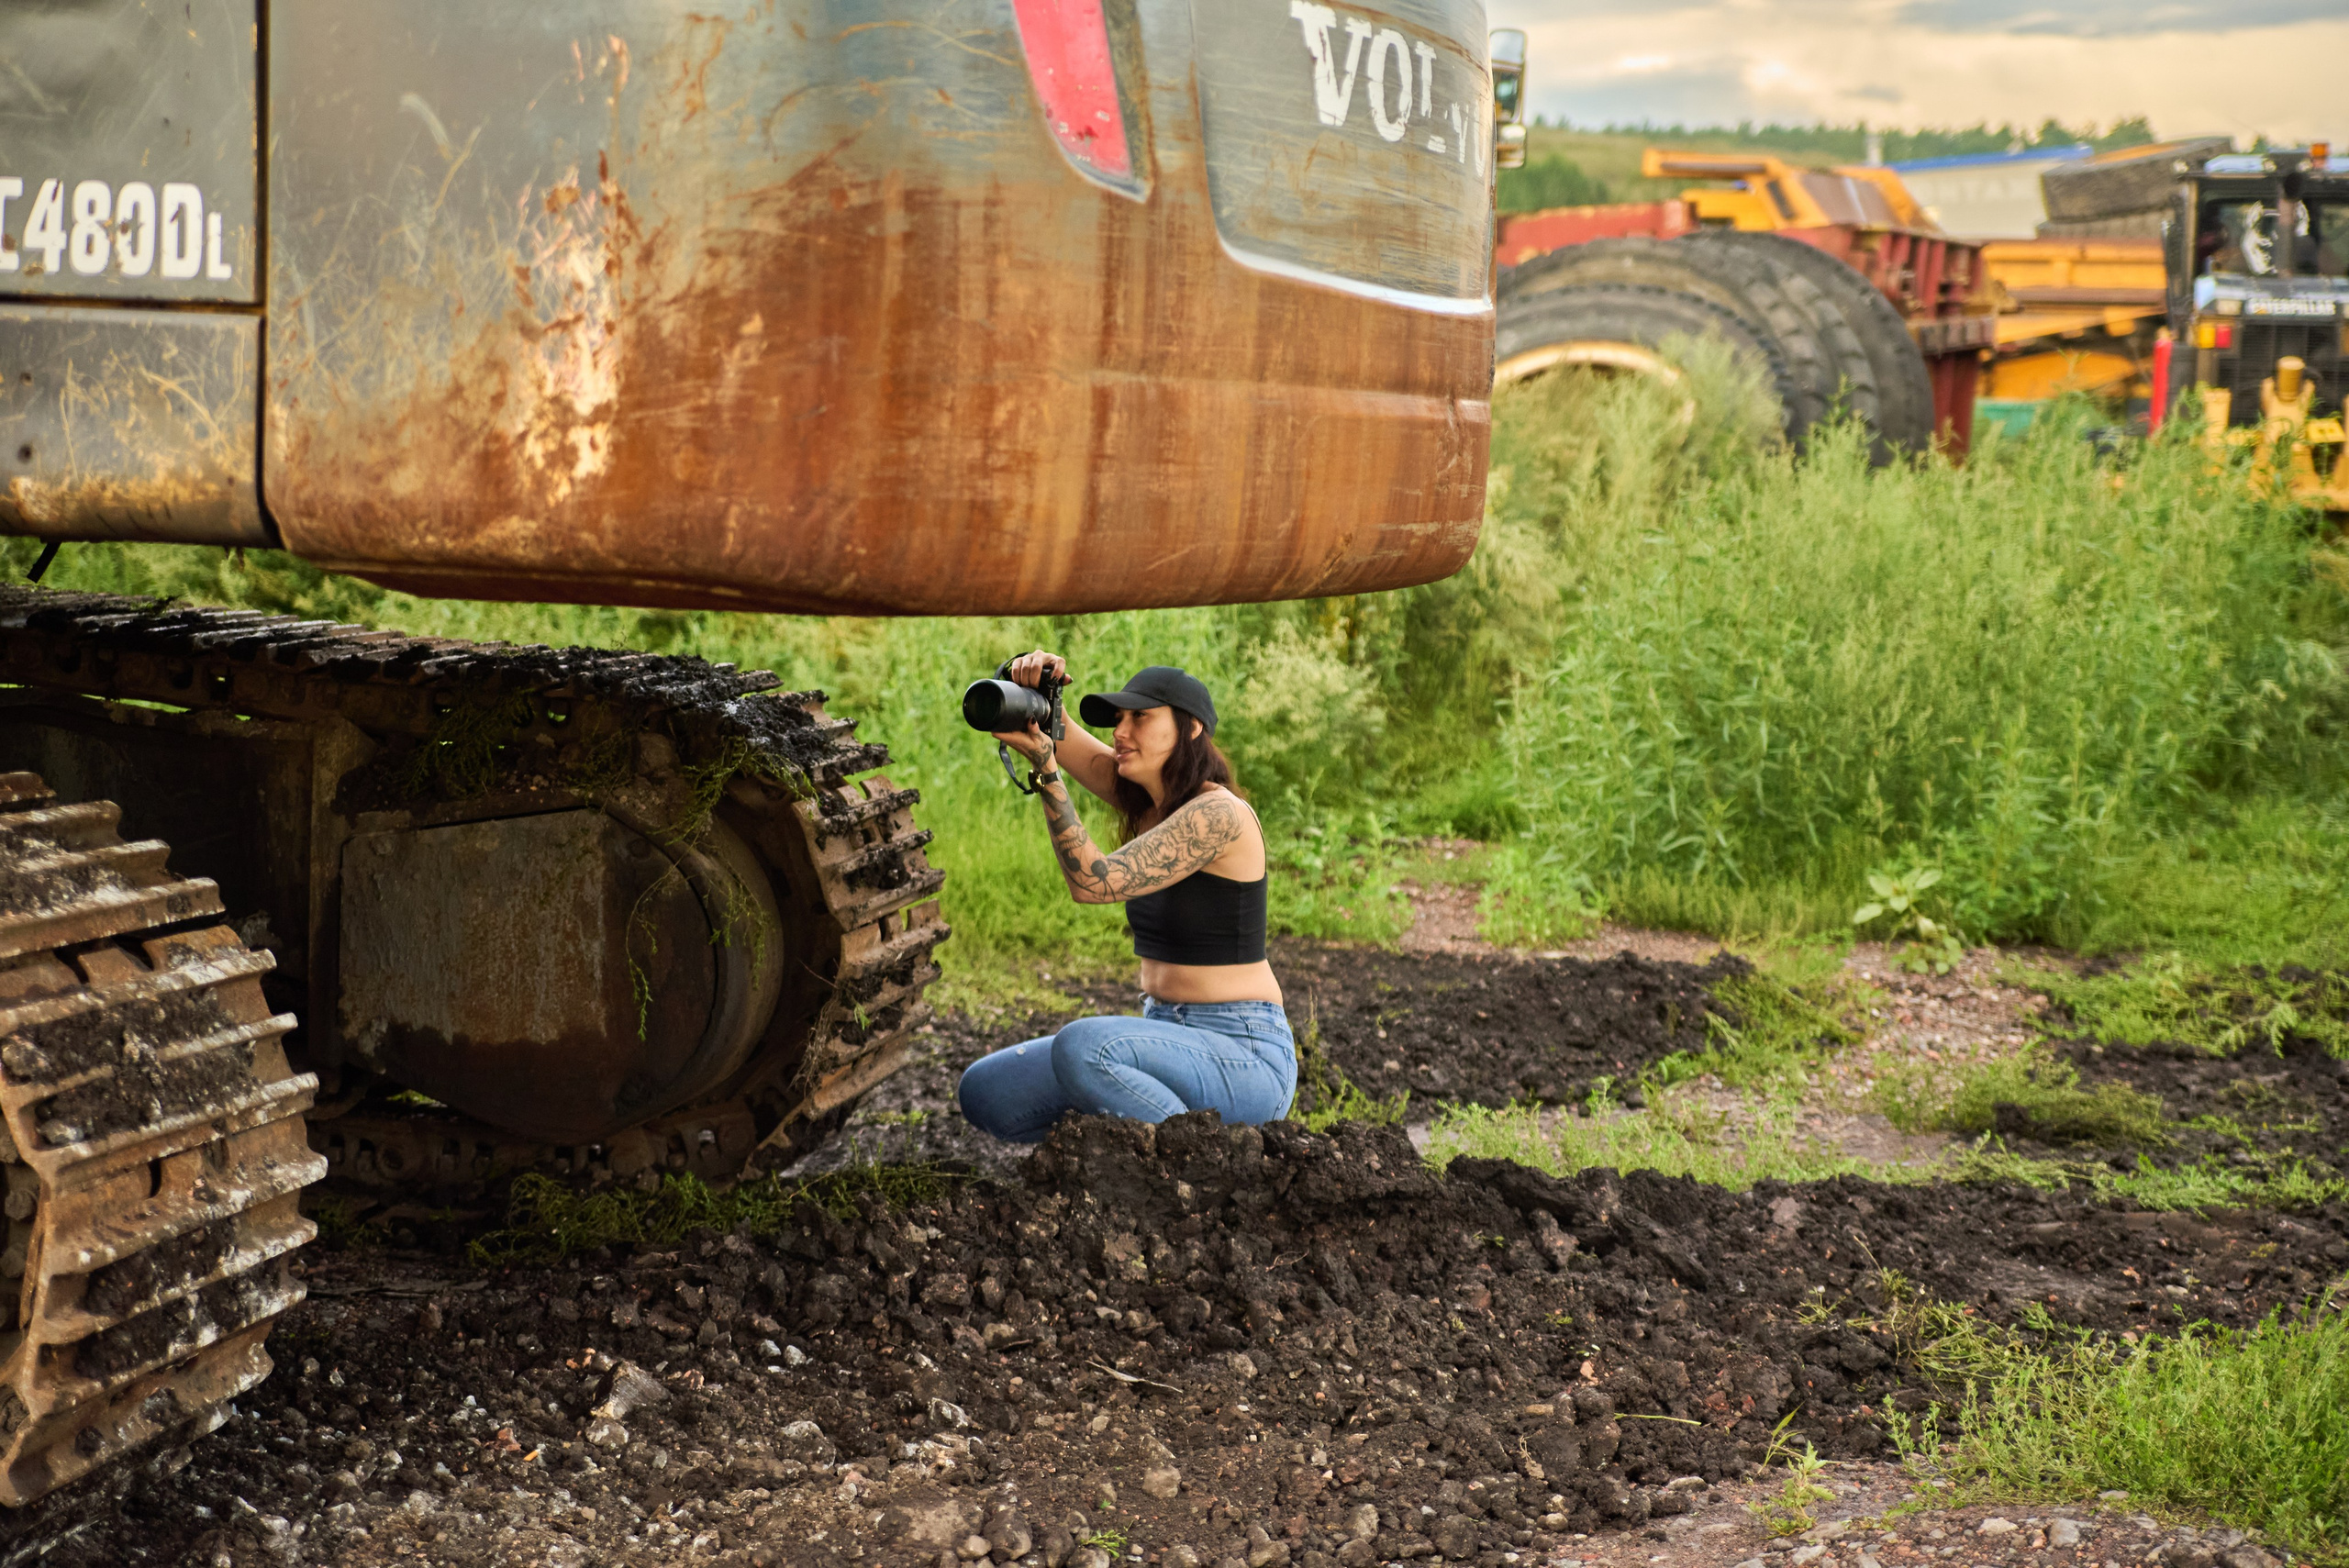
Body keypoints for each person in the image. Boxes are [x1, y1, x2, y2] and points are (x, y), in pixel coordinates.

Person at [955, 652, 1294, 1141]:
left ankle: (1197, 1172)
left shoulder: (1218, 815)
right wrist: (1028, 682)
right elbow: (1060, 733)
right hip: (1168, 1035)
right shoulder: (1150, 806)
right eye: (1118, 719)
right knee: (989, 1089)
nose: (1121, 731)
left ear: (1191, 728)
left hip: (1242, 1052)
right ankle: (1115, 1166)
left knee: (1084, 1048)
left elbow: (1095, 882)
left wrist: (1047, 773)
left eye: (1141, 718)